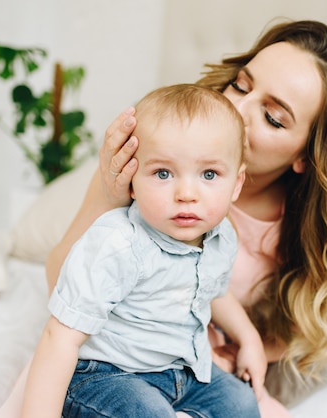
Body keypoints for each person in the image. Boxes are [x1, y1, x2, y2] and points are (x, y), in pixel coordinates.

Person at [0, 18, 327, 418]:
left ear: (307, 154)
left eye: (272, 117)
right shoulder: (148, 164)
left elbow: (248, 306)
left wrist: (237, 347)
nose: (237, 109)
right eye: (241, 86)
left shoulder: (279, 234)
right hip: (110, 362)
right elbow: (64, 289)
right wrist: (109, 197)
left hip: (191, 370)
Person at [21, 84, 265, 418]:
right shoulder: (119, 243)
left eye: (209, 174)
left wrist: (249, 339)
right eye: (163, 173)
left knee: (241, 403)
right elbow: (58, 337)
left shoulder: (220, 237)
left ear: (236, 184)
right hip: (105, 374)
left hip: (181, 373)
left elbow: (214, 293)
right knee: (147, 412)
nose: (187, 193)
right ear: (132, 178)